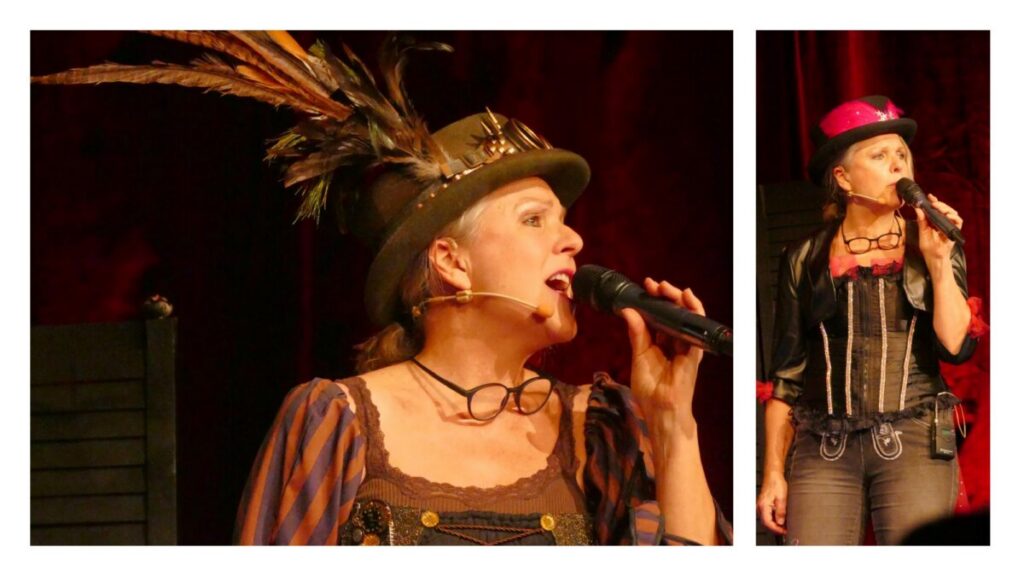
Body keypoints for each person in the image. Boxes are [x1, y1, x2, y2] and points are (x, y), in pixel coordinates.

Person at [33, 31, 730, 546]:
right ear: (451, 262)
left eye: (565, 220)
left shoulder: (602, 429)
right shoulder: (338, 423)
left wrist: (673, 424)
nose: (574, 240)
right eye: (534, 219)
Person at [756, 95, 985, 545]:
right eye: (879, 156)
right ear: (842, 177)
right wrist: (773, 475)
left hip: (915, 439)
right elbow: (786, 375)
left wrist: (939, 262)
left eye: (902, 154)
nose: (897, 165)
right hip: (824, 447)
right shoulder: (804, 258)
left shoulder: (931, 243)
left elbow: (957, 347)